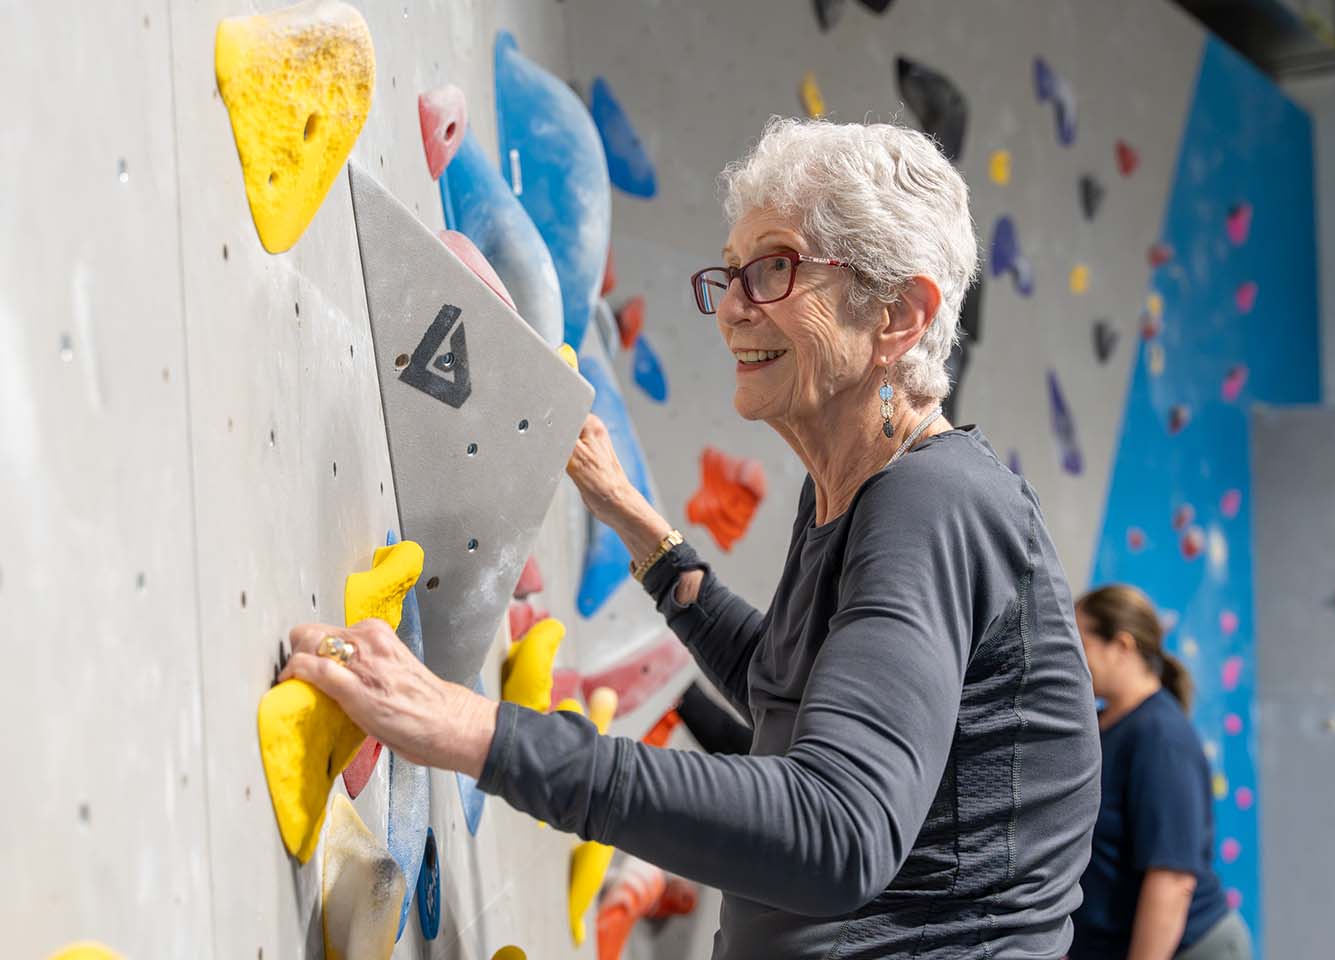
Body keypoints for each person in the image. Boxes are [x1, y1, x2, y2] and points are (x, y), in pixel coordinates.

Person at [281, 117, 1101, 959]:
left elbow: (840, 827)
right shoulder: (852, 493)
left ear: (898, 315)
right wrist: (643, 530)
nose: (734, 309)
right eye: (735, 272)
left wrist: (472, 731)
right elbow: (788, 692)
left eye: (775, 268)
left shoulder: (936, 506)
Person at [1069, 585, 1254, 960]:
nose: (1069, 655)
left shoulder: (1160, 735)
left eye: (1079, 641)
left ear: (1121, 646)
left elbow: (1171, 879)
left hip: (1190, 948)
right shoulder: (1101, 727)